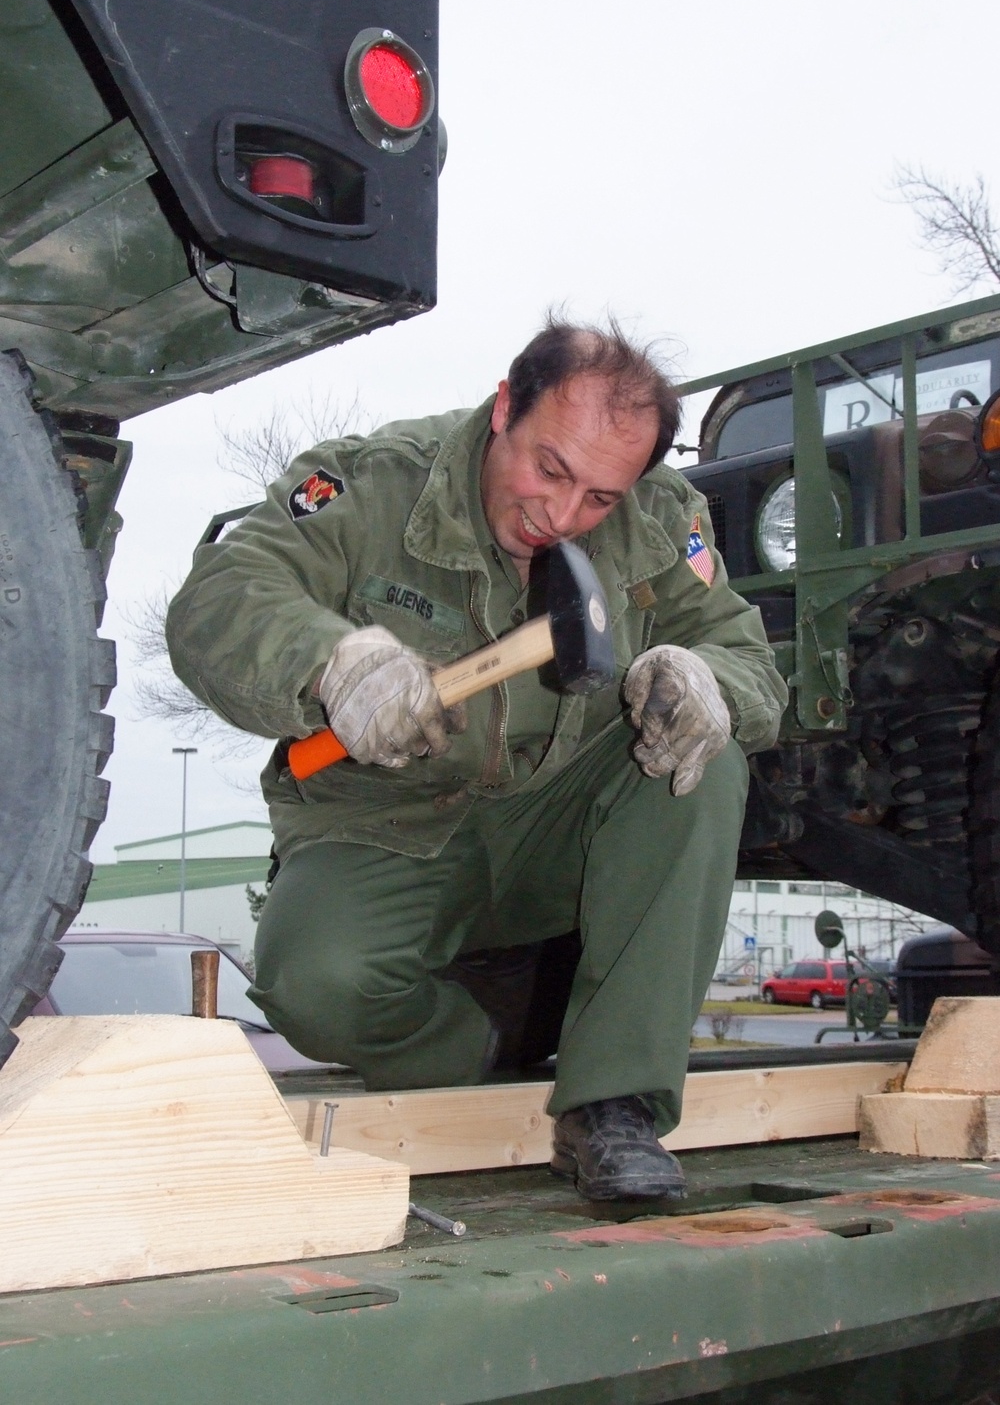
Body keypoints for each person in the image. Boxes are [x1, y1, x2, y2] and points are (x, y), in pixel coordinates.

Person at [166, 320, 786, 1200]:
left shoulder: (662, 523)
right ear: (504, 408)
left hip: (554, 824)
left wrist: (709, 680)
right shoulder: (372, 482)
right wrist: (333, 660)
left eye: (601, 498)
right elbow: (221, 598)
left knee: (703, 758)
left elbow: (749, 662)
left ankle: (616, 1107)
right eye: (550, 469)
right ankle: (474, 1039)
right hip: (389, 823)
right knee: (315, 987)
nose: (561, 517)